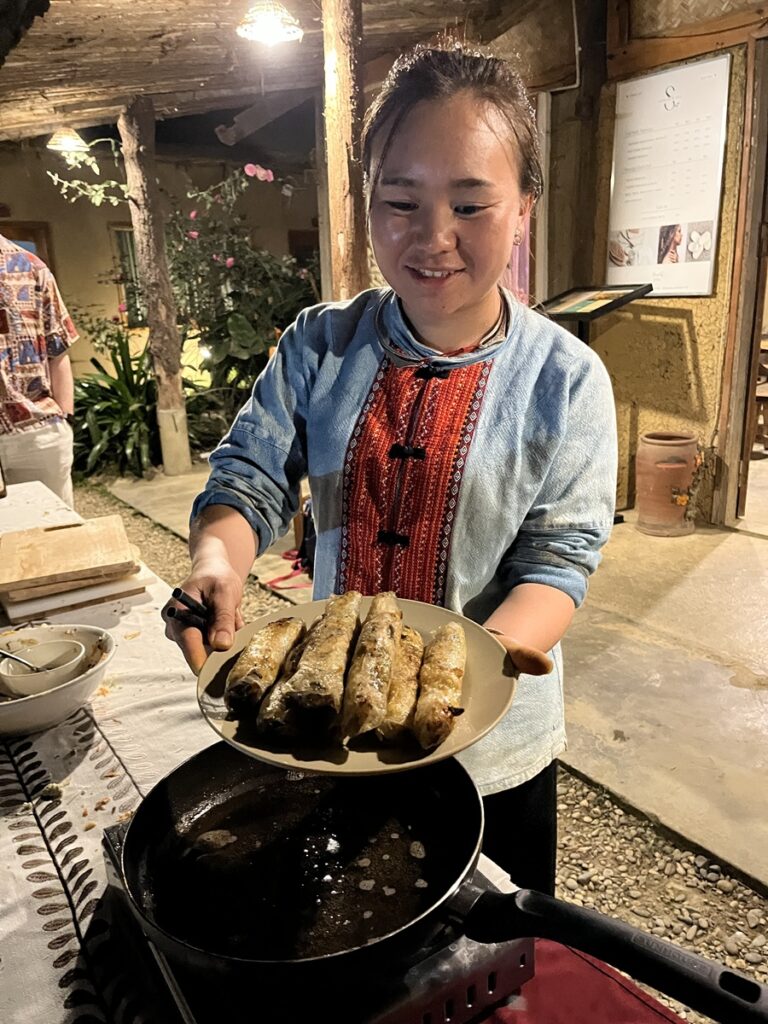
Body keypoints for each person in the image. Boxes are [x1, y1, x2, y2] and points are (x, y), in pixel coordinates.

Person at [164, 43, 617, 895]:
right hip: (332, 730)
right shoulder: (319, 344)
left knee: (495, 946)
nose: (433, 238)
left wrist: (477, 667)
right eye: (401, 201)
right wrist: (216, 564)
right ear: (368, 202)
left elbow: (558, 558)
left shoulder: (567, 381)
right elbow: (249, 476)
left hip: (491, 751)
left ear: (524, 207)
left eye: (471, 205)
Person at [0, 233, 78, 506]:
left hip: (37, 433)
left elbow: (58, 349)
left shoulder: (31, 267)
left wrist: (65, 418)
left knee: (53, 525)